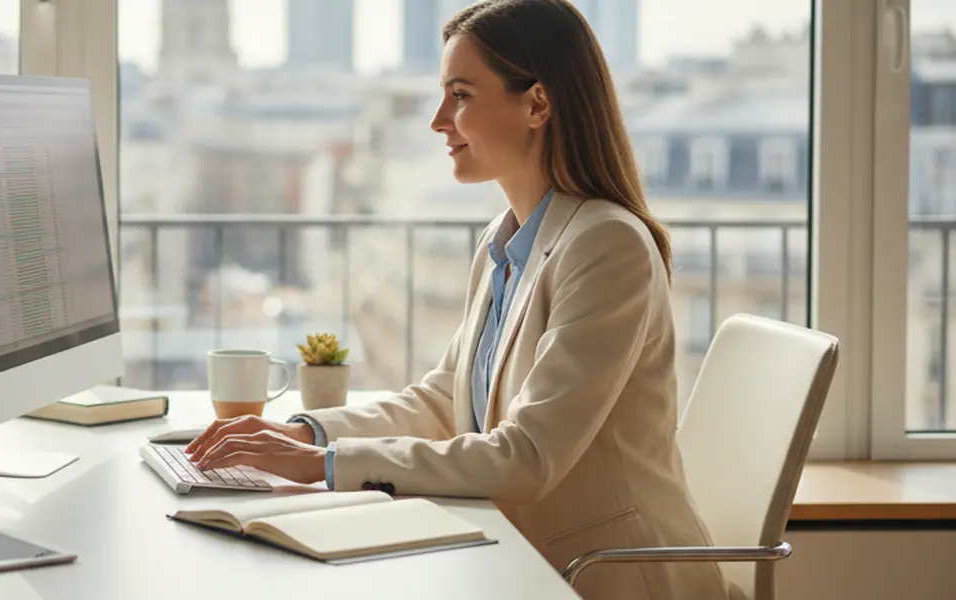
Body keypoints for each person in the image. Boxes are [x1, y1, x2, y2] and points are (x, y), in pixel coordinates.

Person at [184, 1, 733, 599]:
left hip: (606, 577)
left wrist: (325, 465)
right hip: (523, 560)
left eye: (461, 95)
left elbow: (525, 456)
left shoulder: (607, 245)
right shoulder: (504, 240)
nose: (439, 120)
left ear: (537, 105)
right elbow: (445, 399)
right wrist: (307, 434)